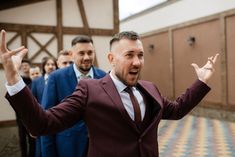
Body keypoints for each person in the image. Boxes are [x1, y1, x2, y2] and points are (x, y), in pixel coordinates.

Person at [1, 30, 219, 157]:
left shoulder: (150, 88)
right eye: (129, 55)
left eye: (141, 55)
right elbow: (43, 124)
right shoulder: (90, 89)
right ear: (111, 59)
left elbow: (177, 109)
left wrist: (201, 81)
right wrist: (13, 79)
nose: (137, 62)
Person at [40, 35, 106, 157]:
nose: (87, 57)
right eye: (81, 53)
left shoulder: (103, 77)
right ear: (72, 54)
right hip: (67, 148)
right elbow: (46, 120)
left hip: (98, 148)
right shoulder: (56, 78)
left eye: (90, 52)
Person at [30, 56, 57, 157]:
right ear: (43, 67)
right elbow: (32, 102)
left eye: (53, 64)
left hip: (56, 118)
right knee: (41, 149)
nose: (50, 66)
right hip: (40, 118)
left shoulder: (59, 79)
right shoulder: (37, 81)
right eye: (48, 64)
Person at [17, 59, 36, 157]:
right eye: (23, 66)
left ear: (29, 67)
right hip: (20, 113)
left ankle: (31, 154)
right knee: (22, 135)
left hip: (32, 112)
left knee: (32, 136)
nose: (25, 67)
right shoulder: (19, 79)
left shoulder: (34, 79)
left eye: (26, 65)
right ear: (20, 67)